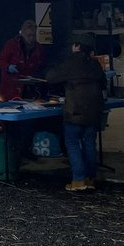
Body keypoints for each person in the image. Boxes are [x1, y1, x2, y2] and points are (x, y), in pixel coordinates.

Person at [48, 33, 107, 192]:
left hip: (75, 112)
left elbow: (51, 77)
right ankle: (90, 178)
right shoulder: (95, 65)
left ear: (77, 46)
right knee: (89, 144)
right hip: (93, 112)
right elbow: (103, 83)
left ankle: (78, 180)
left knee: (73, 145)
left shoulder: (71, 63)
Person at [0, 19, 47, 98]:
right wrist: (8, 67)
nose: (31, 38)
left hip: (29, 87)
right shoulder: (12, 44)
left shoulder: (39, 49)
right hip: (11, 86)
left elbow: (42, 65)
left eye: (33, 35)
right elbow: (1, 60)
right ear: (22, 34)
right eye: (29, 35)